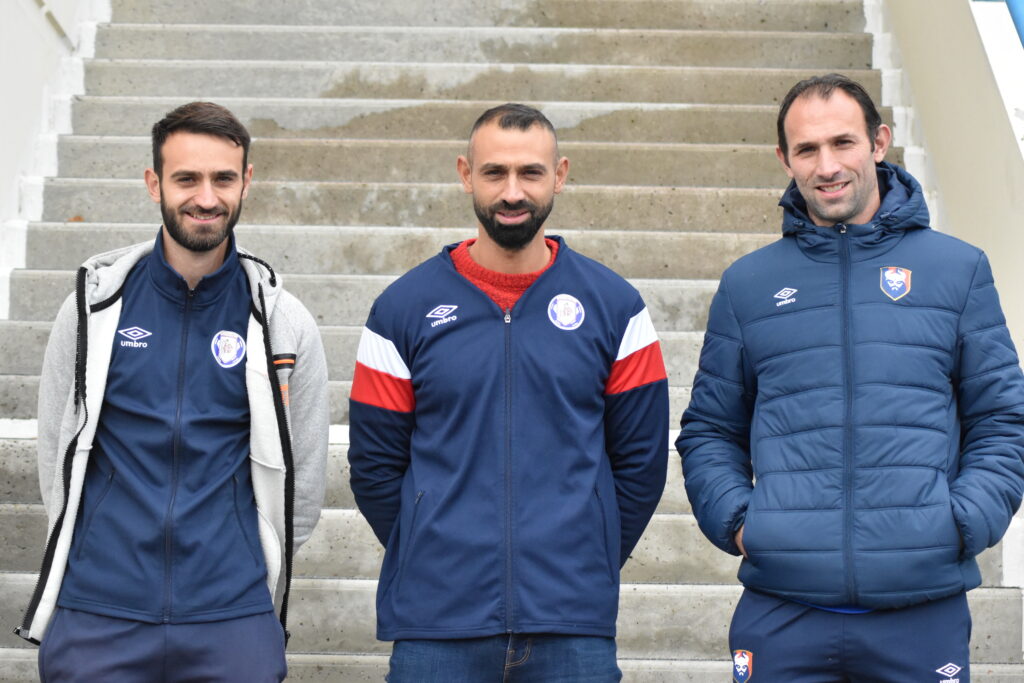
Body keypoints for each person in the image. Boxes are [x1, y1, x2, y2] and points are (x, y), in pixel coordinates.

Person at [678, 73, 1024, 682]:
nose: (827, 165)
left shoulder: (958, 270)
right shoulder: (748, 285)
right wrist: (740, 523)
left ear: (879, 142)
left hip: (922, 609)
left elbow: (1002, 419)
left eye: (843, 143)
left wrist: (963, 520)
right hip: (783, 609)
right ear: (784, 159)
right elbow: (709, 429)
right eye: (807, 150)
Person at [348, 103, 670, 682]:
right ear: (466, 174)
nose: (513, 191)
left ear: (561, 175)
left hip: (571, 621)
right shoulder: (401, 309)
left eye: (531, 173)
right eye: (495, 172)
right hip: (436, 624)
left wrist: (585, 556)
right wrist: (431, 551)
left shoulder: (616, 307)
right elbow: (374, 466)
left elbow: (641, 464)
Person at [16, 101, 329, 682]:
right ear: (153, 182)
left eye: (223, 179)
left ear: (247, 182)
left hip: (231, 615)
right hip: (99, 611)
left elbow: (302, 486)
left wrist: (242, 562)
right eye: (186, 178)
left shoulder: (284, 323)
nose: (205, 197)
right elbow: (55, 456)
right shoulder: (93, 308)